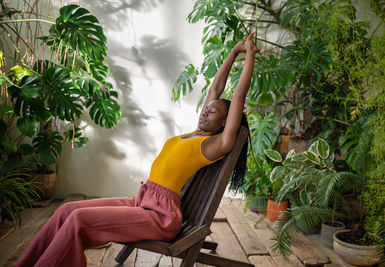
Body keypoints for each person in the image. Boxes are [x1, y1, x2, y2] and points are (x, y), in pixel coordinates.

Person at [15, 32, 259, 267]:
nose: (205, 110)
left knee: (78, 220)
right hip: (143, 200)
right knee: (67, 209)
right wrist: (233, 52)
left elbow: (238, 96)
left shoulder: (216, 144)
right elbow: (214, 90)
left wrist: (249, 56)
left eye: (213, 111)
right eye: (207, 108)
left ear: (226, 122)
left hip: (160, 217)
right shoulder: (197, 133)